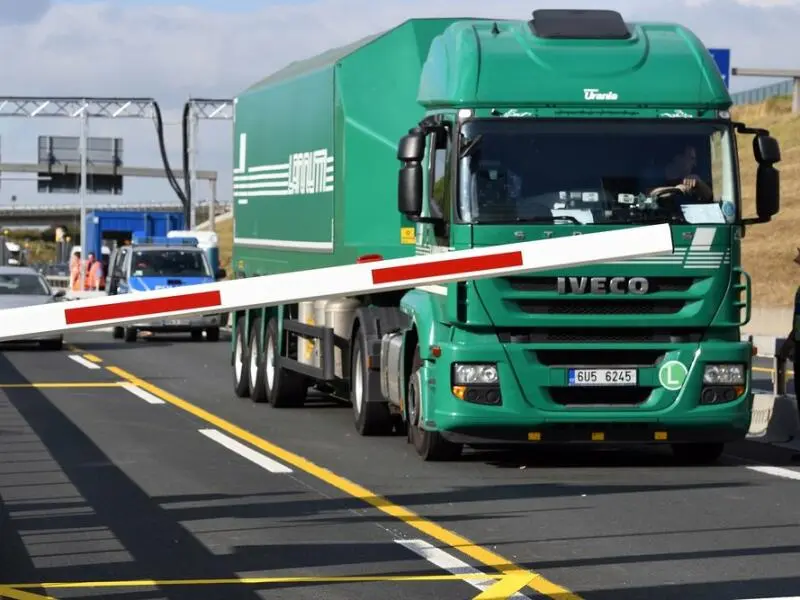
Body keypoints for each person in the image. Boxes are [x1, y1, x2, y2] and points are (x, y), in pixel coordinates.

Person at [647, 144, 713, 202]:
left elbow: (710, 198)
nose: (694, 163)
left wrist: (700, 183)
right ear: (677, 158)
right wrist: (678, 190)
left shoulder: (693, 178)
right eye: (691, 158)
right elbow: (648, 195)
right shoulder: (653, 175)